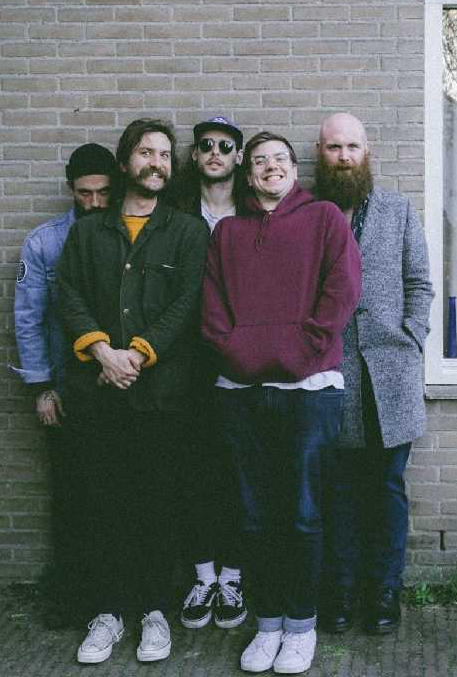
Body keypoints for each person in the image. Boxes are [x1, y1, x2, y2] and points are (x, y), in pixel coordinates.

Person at [202, 131, 361, 674]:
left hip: (310, 392)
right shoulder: (227, 233)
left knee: (302, 514)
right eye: (260, 161)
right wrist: (241, 358)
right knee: (253, 516)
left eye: (280, 159)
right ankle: (267, 623)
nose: (271, 167)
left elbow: (341, 292)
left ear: (295, 170)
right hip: (240, 395)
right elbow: (212, 311)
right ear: (248, 175)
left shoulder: (325, 220)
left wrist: (298, 354)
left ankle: (300, 625)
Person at [56, 118, 208, 665]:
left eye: (165, 155)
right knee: (103, 505)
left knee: (157, 505)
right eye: (146, 152)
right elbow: (68, 294)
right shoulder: (88, 232)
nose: (156, 163)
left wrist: (137, 354)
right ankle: (108, 613)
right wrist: (102, 352)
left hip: (161, 397)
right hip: (99, 395)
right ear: (125, 163)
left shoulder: (187, 231)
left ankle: (154, 613)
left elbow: (187, 303)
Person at [314, 112, 433, 635]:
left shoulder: (397, 210)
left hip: (391, 374)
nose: (344, 157)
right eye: (334, 147)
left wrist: (411, 336)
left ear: (367, 152)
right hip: (330, 372)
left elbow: (419, 282)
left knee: (386, 487)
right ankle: (340, 589)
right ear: (320, 154)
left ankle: (385, 589)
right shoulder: (309, 213)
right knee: (337, 489)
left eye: (352, 147)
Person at [11, 142, 115, 624]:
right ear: (70, 189)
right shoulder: (45, 242)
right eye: (84, 193)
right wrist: (42, 388)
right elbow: (29, 319)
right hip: (68, 390)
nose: (94, 202)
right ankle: (75, 598)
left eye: (103, 192)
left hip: (123, 387)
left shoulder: (128, 234)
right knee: (73, 497)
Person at [172, 116, 249, 630]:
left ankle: (234, 576)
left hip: (244, 362)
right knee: (195, 470)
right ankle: (203, 577)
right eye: (206, 145)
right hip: (187, 363)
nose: (216, 152)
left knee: (241, 471)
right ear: (196, 156)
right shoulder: (176, 215)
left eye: (225, 145)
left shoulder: (255, 212)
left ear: (238, 156)